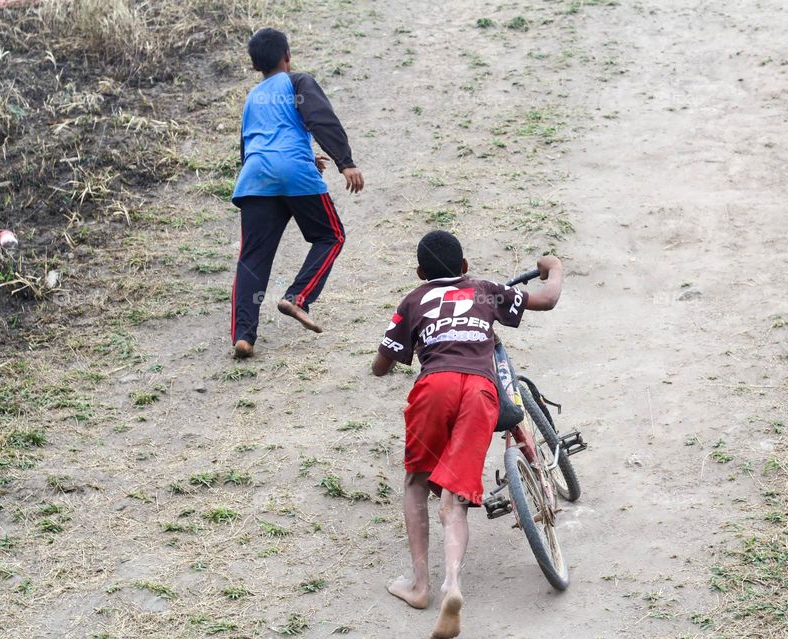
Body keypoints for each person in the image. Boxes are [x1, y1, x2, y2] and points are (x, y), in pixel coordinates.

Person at [371, 230, 563, 638]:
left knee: (417, 481)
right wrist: (554, 268)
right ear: (464, 267)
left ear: (421, 272)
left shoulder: (414, 299)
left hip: (434, 387)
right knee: (455, 498)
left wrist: (404, 345)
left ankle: (420, 585)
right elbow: (546, 299)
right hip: (479, 390)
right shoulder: (485, 291)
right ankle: (452, 585)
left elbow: (381, 366)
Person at [229, 27, 365, 359]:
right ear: (287, 56)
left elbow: (253, 143)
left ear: (255, 66)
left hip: (255, 177)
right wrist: (344, 162)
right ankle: (298, 296)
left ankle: (244, 337)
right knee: (331, 235)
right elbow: (321, 120)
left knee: (252, 260)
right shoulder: (297, 82)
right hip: (293, 174)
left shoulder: (252, 97)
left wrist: (301, 159)